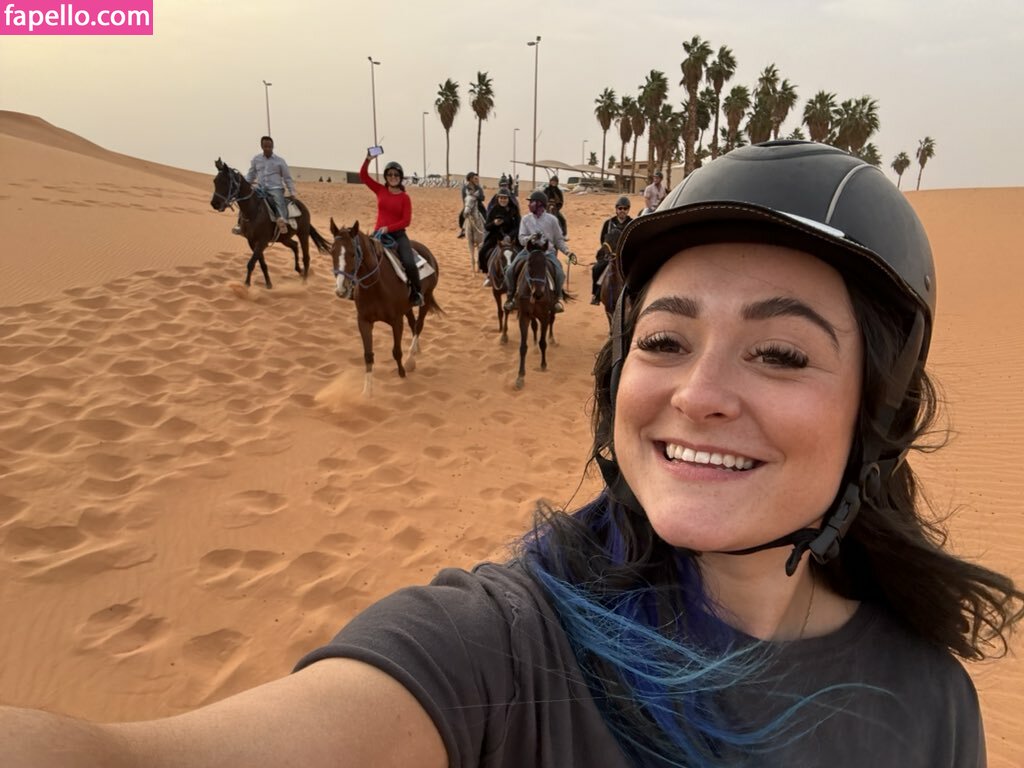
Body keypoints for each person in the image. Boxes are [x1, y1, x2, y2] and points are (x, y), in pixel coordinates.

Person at [6, 142, 1023, 768]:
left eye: (781, 353)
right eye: (664, 340)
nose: (697, 393)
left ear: (877, 415)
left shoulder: (933, 705)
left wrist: (533, 235)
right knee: (441, 260)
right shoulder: (499, 650)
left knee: (438, 257)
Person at [359, 151, 422, 307]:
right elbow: (363, 176)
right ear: (386, 176)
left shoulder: (405, 197)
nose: (393, 177)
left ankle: (416, 293)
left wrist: (388, 228)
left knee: (409, 262)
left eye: (396, 174)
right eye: (390, 174)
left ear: (400, 177)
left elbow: (406, 221)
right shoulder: (380, 190)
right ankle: (354, 288)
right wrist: (368, 159)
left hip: (398, 235)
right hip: (378, 235)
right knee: (360, 257)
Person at [504, 189, 576, 314]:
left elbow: (558, 240)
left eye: (531, 202)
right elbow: (521, 238)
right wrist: (530, 238)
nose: (529, 204)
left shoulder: (552, 220)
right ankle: (511, 298)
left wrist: (568, 252)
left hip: (547, 253)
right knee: (510, 270)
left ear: (540, 204)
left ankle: (557, 299)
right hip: (528, 252)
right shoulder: (525, 219)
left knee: (560, 274)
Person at [238, 135, 296, 236]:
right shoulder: (256, 159)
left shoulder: (280, 161)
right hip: (260, 188)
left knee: (279, 202)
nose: (268, 149)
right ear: (262, 146)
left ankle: (283, 223)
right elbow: (251, 175)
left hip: (275, 188)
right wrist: (244, 185)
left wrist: (292, 192)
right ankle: (240, 224)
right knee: (246, 200)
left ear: (273, 146)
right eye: (266, 146)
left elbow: (287, 178)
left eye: (270, 147)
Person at [591, 195, 633, 304]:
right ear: (616, 209)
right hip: (609, 256)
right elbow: (603, 240)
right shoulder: (608, 223)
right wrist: (608, 253)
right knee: (596, 269)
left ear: (628, 209)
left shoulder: (632, 223)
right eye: (620, 208)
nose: (622, 210)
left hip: (626, 256)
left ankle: (637, 295)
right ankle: (596, 294)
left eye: (625, 208)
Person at [479, 189, 520, 277]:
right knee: (482, 251)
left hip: (511, 237)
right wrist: (494, 223)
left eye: (505, 198)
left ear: (509, 199)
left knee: (522, 252)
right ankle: (487, 272)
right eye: (501, 198)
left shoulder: (514, 209)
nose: (503, 200)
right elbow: (487, 226)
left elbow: (518, 226)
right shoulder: (493, 209)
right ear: (497, 198)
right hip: (496, 237)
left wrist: (510, 236)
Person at [457, 171, 486, 238]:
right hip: (469, 205)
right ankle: (463, 230)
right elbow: (464, 198)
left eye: (477, 178)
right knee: (461, 216)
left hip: (478, 206)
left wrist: (476, 197)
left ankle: (486, 230)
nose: (477, 180)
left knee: (485, 214)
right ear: (470, 179)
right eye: (475, 178)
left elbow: (482, 198)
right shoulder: (465, 188)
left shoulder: (478, 187)